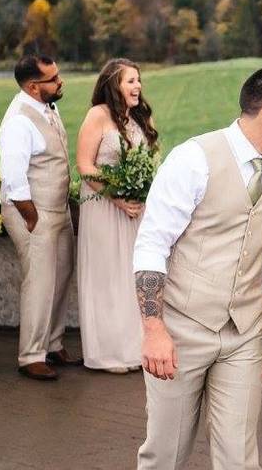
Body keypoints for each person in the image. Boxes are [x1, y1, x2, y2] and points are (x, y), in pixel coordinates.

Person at [133, 67, 262, 470]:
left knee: (239, 457)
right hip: (182, 329)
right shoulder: (193, 159)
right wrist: (154, 329)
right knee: (165, 452)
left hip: (244, 334)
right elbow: (152, 244)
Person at [0, 54, 80, 381]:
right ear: (34, 86)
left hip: (57, 208)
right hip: (33, 211)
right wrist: (33, 219)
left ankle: (53, 342)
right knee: (40, 281)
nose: (60, 83)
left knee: (62, 273)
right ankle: (31, 355)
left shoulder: (48, 106)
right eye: (53, 79)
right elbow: (13, 178)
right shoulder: (19, 120)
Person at [76, 59, 159, 374]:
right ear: (114, 84)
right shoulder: (97, 115)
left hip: (135, 207)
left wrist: (140, 187)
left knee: (133, 273)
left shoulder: (138, 116)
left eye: (138, 80)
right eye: (130, 81)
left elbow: (148, 159)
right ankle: (110, 352)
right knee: (108, 275)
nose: (137, 87)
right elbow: (85, 166)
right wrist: (117, 195)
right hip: (103, 205)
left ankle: (137, 346)